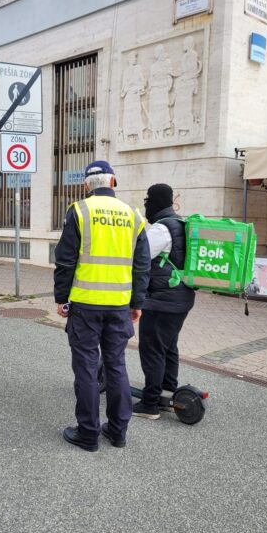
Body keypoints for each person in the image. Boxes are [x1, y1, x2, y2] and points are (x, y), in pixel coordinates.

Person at [54, 160, 151, 451]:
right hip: (119, 305)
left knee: (85, 369)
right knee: (116, 366)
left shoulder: (80, 211)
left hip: (85, 305)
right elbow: (142, 264)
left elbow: (65, 260)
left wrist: (61, 298)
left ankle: (88, 434)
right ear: (113, 182)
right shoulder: (133, 215)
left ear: (87, 185)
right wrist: (137, 303)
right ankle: (118, 432)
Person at [133, 183, 196, 419]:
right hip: (181, 298)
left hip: (161, 300)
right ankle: (168, 394)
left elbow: (139, 256)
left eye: (148, 200)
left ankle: (150, 404)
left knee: (152, 349)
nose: (146, 205)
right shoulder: (180, 223)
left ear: (156, 202)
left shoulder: (161, 229)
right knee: (168, 347)